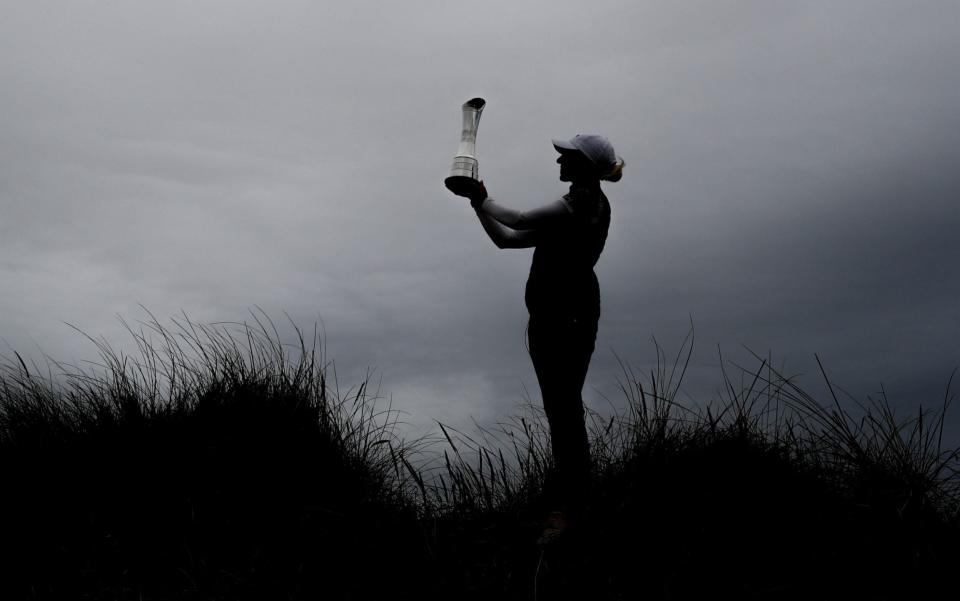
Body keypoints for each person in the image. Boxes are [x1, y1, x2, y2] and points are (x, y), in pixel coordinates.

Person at [452, 134, 624, 543]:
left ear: (582, 165)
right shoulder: (574, 208)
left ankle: (570, 508)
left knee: (563, 408)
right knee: (562, 408)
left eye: (565, 157)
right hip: (556, 316)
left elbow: (518, 220)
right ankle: (568, 500)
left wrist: (481, 195)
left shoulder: (582, 203)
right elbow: (506, 239)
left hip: (567, 316)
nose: (558, 162)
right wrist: (479, 205)